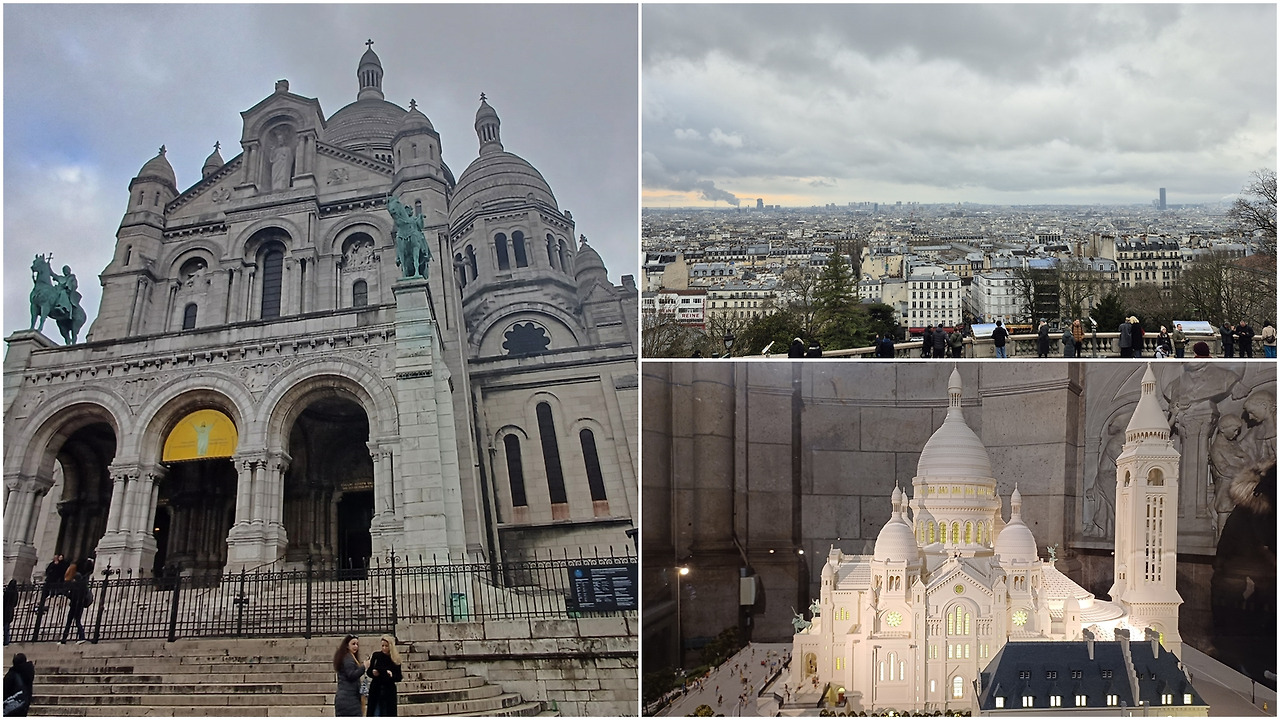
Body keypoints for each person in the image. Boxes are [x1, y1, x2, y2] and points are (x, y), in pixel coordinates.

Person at [366, 634, 404, 716]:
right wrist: (373, 673)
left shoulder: (395, 659)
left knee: (387, 713)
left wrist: (391, 675)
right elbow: (369, 671)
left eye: (386, 646)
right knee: (375, 713)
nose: (384, 648)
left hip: (389, 690)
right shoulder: (376, 656)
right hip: (376, 689)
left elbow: (399, 677)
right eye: (382, 646)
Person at [333, 635, 364, 717]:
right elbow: (351, 675)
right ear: (347, 645)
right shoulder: (348, 658)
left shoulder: (347, 657)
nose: (356, 646)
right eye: (353, 644)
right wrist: (364, 667)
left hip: (347, 698)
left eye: (357, 644)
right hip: (349, 699)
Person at [58, 571, 89, 645]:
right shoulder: (83, 586)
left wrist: (66, 593)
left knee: (72, 622)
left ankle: (79, 637)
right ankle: (79, 637)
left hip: (75, 606)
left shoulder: (76, 586)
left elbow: (73, 596)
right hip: (78, 606)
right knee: (75, 622)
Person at [3, 580, 17, 646]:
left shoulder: (7, 592)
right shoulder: (15, 593)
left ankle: (6, 640)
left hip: (5, 610)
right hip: (10, 611)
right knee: (7, 627)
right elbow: (15, 604)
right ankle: (7, 640)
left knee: (5, 626)